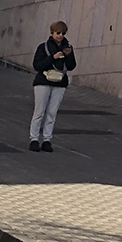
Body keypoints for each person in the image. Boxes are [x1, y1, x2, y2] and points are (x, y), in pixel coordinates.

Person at [29, 21, 76, 152]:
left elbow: (71, 66)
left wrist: (68, 55)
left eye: (63, 33)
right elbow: (37, 65)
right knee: (39, 112)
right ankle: (34, 139)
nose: (60, 36)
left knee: (52, 112)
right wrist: (53, 57)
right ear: (52, 33)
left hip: (59, 83)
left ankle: (47, 140)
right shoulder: (43, 47)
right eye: (58, 33)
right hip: (43, 81)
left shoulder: (68, 47)